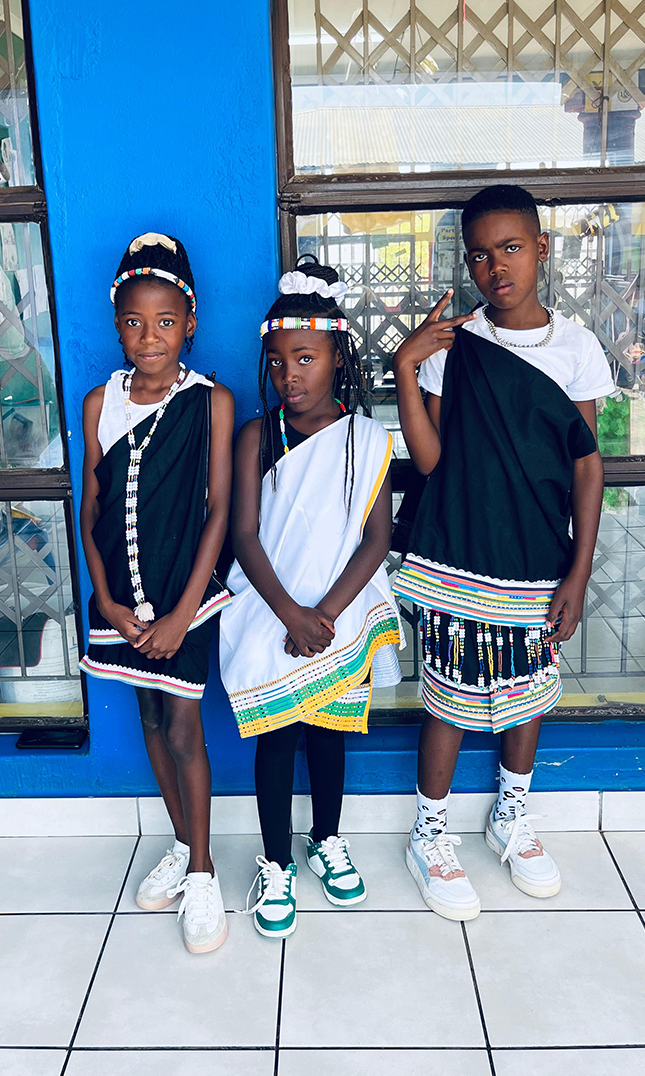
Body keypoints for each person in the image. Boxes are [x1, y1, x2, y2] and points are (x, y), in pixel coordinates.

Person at [392, 186, 612, 920]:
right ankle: (429, 832)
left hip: (538, 554)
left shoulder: (576, 348)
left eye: (511, 248)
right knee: (449, 696)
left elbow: (586, 464)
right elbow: (431, 462)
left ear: (541, 248)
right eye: (480, 255)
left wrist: (578, 569)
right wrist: (407, 368)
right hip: (460, 551)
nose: (496, 267)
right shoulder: (454, 346)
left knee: (527, 692)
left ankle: (510, 815)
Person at [220, 256, 402, 939]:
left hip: (337, 615)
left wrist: (322, 615)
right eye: (276, 362)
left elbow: (378, 538)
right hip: (269, 612)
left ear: (338, 358)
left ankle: (327, 839)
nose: (288, 375)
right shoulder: (255, 436)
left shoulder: (368, 439)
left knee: (330, 735)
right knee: (275, 739)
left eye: (304, 359)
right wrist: (291, 614)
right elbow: (243, 535)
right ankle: (276, 861)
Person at [79, 233, 234, 953]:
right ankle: (181, 841)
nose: (150, 337)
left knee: (182, 728)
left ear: (190, 322)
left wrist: (182, 612)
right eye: (135, 322)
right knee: (147, 717)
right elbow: (91, 507)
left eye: (166, 321)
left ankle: (202, 873)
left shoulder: (211, 402)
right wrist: (106, 601)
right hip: (120, 600)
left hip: (183, 598)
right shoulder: (99, 403)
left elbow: (219, 511)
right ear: (117, 325)